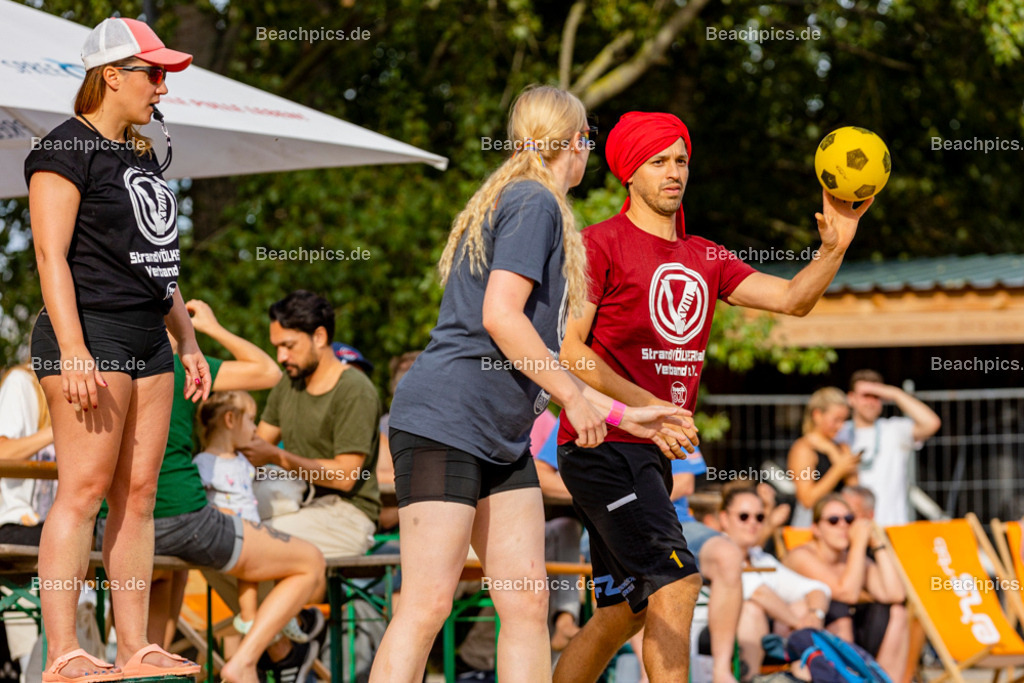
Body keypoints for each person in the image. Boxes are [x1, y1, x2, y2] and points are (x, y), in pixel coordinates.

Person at [369, 85, 689, 683]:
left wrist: (624, 415)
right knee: (428, 602)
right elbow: (501, 315)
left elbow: (543, 354)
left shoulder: (533, 201)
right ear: (577, 142)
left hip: (501, 435)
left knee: (526, 601)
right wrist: (572, 396)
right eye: (588, 140)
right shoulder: (534, 201)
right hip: (447, 421)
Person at [554, 111, 873, 683]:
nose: (673, 172)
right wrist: (647, 408)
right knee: (678, 580)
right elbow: (571, 349)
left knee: (619, 615)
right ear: (630, 172)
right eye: (658, 162)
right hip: (602, 445)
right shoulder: (596, 244)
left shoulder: (706, 255)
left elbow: (794, 299)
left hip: (648, 453)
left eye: (680, 160)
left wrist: (835, 247)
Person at [24, 16, 211, 680]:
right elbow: (49, 256)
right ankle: (66, 651)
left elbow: (156, 260)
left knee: (138, 494)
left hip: (146, 336)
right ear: (112, 76)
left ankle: (135, 646)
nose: (162, 87)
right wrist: (72, 348)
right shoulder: (62, 149)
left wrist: (186, 339)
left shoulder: (138, 152)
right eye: (153, 74)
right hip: (90, 333)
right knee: (83, 491)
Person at [94, 298, 327, 683]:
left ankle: (148, 668)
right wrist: (204, 332)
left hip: (113, 529)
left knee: (164, 589)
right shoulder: (180, 366)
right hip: (181, 518)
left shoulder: (100, 364)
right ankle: (248, 659)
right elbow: (268, 372)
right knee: (309, 562)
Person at [241, 290, 382, 561]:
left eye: (289, 346)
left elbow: (345, 476)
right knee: (216, 536)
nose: (281, 356)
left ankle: (286, 605)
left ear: (319, 337)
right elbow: (254, 447)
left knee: (246, 544)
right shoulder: (289, 382)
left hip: (347, 516)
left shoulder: (355, 389)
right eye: (276, 347)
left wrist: (276, 457)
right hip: (297, 502)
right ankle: (290, 606)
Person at [194, 391, 317, 647]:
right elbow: (198, 497)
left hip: (252, 529)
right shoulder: (205, 463)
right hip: (231, 531)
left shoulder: (244, 461)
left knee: (272, 567)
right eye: (250, 420)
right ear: (230, 420)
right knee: (248, 575)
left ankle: (279, 616)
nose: (255, 428)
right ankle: (252, 619)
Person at [783, 494, 907, 680]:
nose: (843, 526)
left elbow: (895, 594)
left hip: (847, 640)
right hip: (807, 637)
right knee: (840, 612)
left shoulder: (851, 559)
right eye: (833, 520)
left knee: (897, 612)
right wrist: (858, 544)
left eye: (849, 519)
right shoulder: (801, 555)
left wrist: (878, 545)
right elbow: (846, 593)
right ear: (816, 529)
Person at [718, 484, 831, 678]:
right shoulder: (716, 550)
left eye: (760, 517)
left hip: (763, 636)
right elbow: (756, 591)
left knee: (802, 606)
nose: (753, 523)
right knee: (751, 610)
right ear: (724, 518)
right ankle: (750, 679)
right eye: (744, 516)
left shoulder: (760, 558)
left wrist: (814, 614)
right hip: (715, 635)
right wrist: (800, 623)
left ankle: (800, 678)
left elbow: (817, 588)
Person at [841, 370, 941, 526]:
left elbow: (931, 423)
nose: (871, 402)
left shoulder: (893, 429)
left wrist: (895, 393)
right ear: (851, 398)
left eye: (876, 396)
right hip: (852, 526)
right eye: (865, 395)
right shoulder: (840, 433)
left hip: (893, 524)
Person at [788, 387, 861, 527]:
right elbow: (807, 500)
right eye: (836, 420)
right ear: (817, 415)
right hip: (811, 525)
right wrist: (838, 470)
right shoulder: (803, 449)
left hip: (840, 524)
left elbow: (855, 491)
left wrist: (834, 453)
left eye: (844, 420)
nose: (841, 426)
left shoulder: (841, 446)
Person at [0, 362, 55, 543]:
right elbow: (3, 452)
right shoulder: (21, 383)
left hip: (55, 523)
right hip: (16, 522)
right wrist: (60, 428)